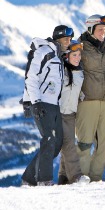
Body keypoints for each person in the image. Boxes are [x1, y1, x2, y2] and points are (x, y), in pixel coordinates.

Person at [21, 25, 73, 186]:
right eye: (65, 38)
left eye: (70, 39)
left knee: (56, 144)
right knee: (48, 139)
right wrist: (34, 102)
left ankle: (29, 179)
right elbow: (31, 77)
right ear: (57, 38)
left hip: (54, 104)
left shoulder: (58, 57)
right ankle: (44, 180)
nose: (68, 42)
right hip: (42, 103)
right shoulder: (44, 52)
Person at [76, 14, 105, 182]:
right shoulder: (80, 47)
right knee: (84, 143)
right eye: (100, 29)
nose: (103, 32)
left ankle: (94, 178)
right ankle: (81, 179)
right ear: (90, 29)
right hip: (87, 101)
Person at [58, 40, 91, 184]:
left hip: (71, 114)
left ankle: (63, 177)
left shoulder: (80, 73)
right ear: (66, 56)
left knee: (68, 144)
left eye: (79, 55)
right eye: (74, 55)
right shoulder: (61, 72)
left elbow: (78, 91)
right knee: (69, 144)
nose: (78, 58)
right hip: (59, 113)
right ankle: (76, 177)